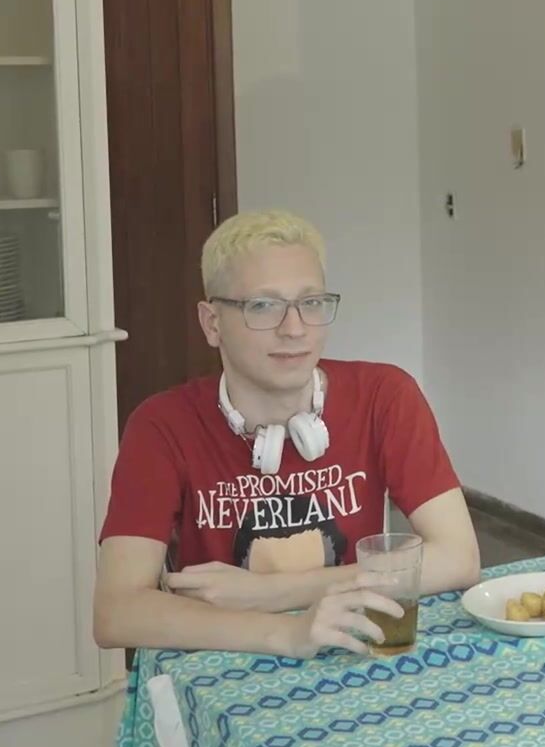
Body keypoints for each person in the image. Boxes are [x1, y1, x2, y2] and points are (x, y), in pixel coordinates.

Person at [93, 209, 480, 657]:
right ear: (212, 323)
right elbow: (116, 612)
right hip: (220, 665)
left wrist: (271, 592)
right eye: (263, 306)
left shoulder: (385, 395)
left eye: (311, 303)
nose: (295, 329)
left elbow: (459, 558)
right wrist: (287, 633)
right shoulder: (161, 425)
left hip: (354, 652)